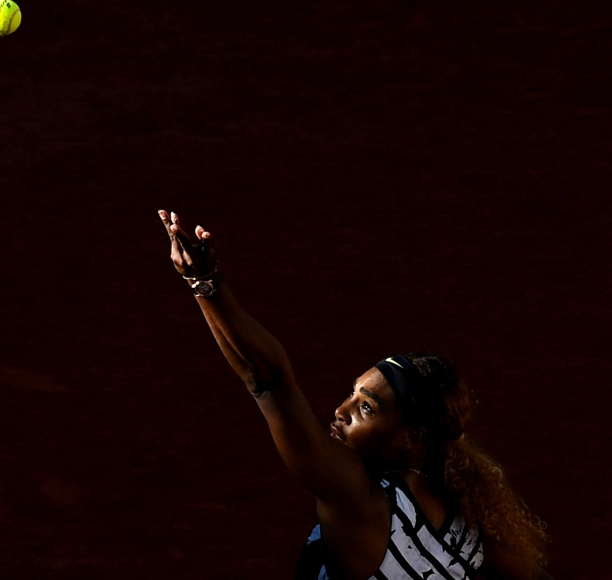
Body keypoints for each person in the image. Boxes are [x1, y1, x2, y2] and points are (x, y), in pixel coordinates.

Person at [158, 210, 552, 580]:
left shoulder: (363, 507)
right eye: (353, 393)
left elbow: (269, 384)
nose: (340, 411)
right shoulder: (474, 527)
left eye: (367, 407)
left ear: (412, 437)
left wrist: (204, 283)